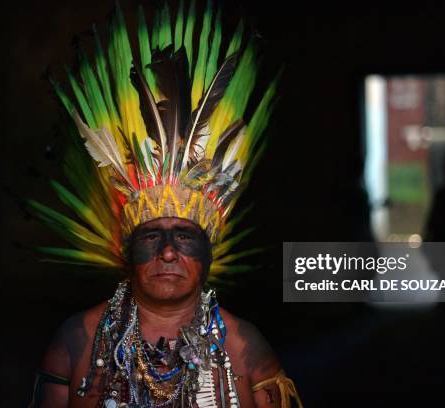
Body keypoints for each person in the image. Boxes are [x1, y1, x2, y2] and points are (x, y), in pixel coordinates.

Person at [26, 1, 302, 407]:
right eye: (152, 236)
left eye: (185, 237)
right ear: (127, 250)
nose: (169, 251)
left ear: (209, 253)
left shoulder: (245, 347)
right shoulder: (77, 339)